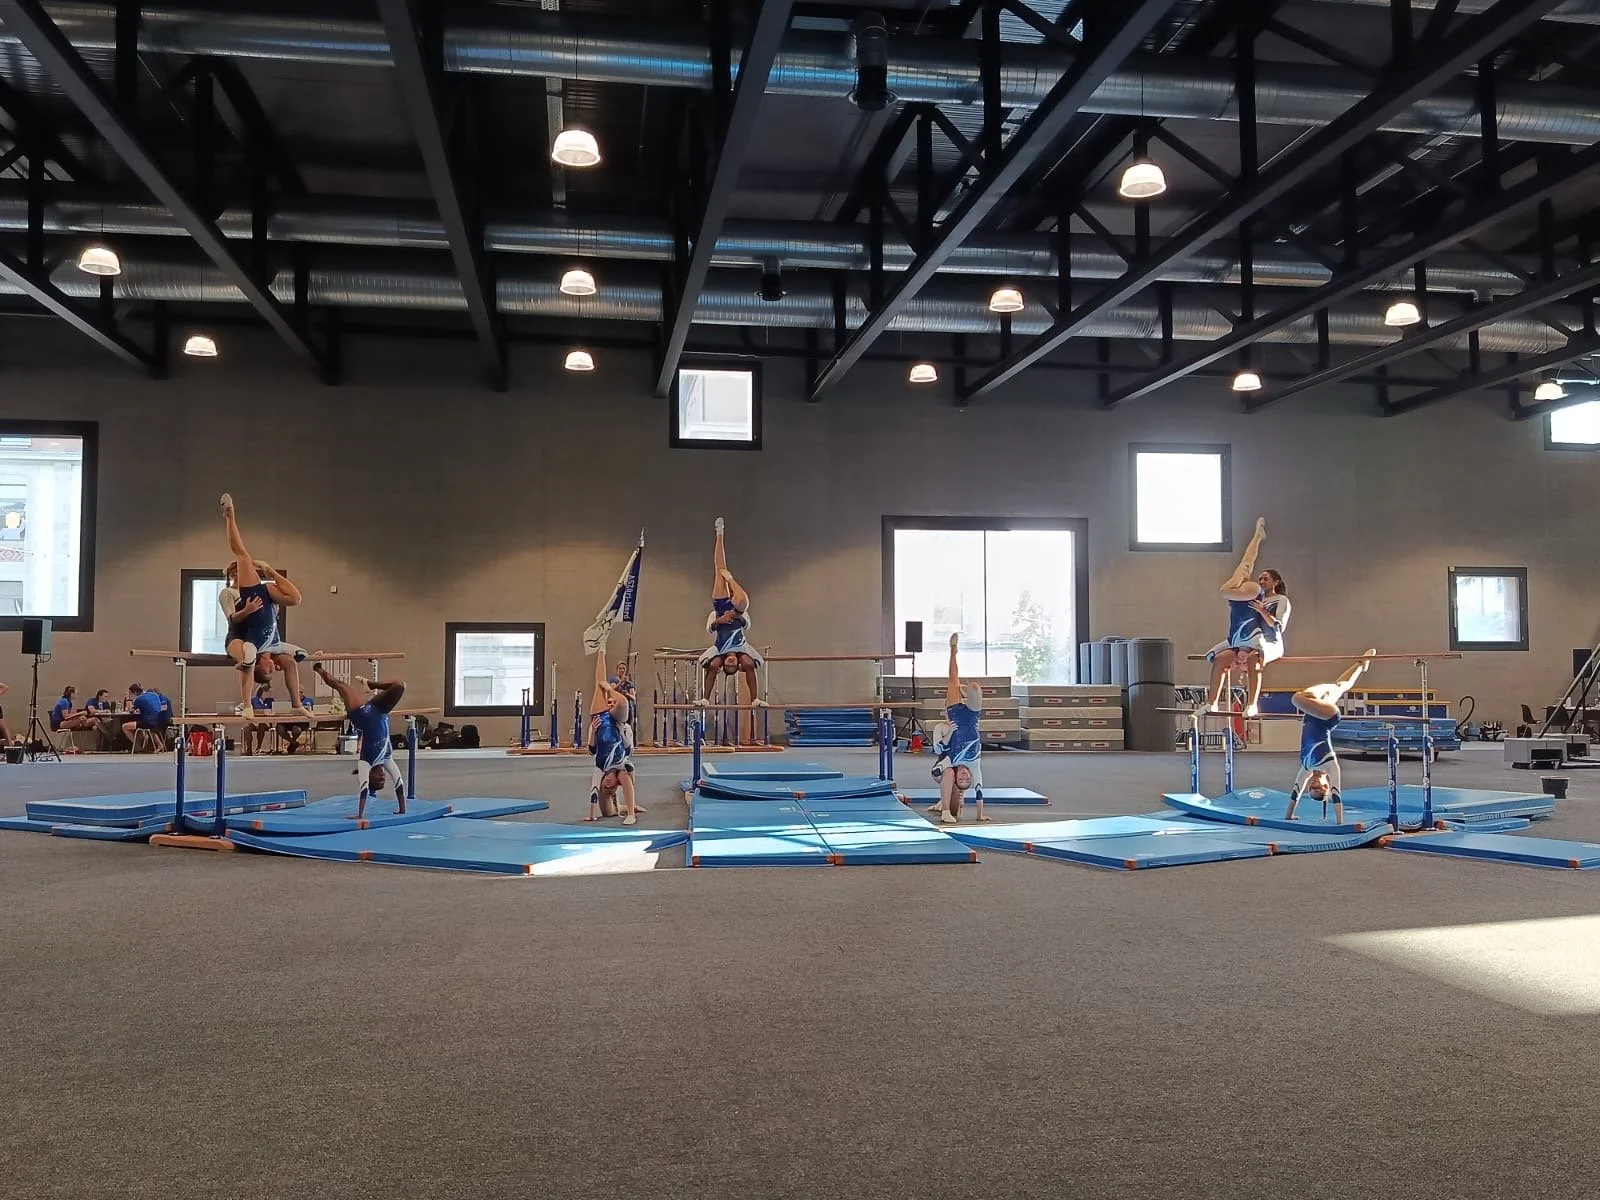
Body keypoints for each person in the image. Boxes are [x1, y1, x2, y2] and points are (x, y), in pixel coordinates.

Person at [218, 493, 310, 718]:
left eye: (270, 669)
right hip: (240, 634)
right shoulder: (227, 594)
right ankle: (247, 703)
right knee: (248, 659)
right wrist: (247, 610)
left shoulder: (253, 588)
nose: (275, 668)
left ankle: (296, 704)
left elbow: (296, 598)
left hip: (256, 635)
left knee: (295, 599)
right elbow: (232, 620)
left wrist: (269, 572)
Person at [1206, 517, 1291, 718]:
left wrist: (1263, 611)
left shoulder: (1281, 600)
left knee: (1253, 658)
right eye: (1260, 578)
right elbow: (1246, 565)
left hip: (1271, 642)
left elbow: (1278, 627)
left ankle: (1252, 704)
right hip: (1250, 640)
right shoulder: (1254, 596)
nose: (1261, 581)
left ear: (1275, 582)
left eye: (1265, 578)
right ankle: (1212, 702)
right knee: (1219, 658)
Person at [1283, 651, 1374, 824]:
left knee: (1340, 685)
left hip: (1313, 713)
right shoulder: (1331, 766)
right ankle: (1361, 664)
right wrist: (1340, 823)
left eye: (1311, 787)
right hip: (1327, 718)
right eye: (1318, 787)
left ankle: (1361, 663)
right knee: (1297, 698)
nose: (1314, 784)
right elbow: (1338, 797)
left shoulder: (1306, 768)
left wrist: (1289, 816)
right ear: (1327, 785)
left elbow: (1295, 794)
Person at [696, 517, 765, 744]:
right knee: (744, 602)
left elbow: (710, 628)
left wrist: (721, 619)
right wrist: (736, 616)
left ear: (726, 661)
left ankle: (719, 534)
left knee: (718, 568)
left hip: (719, 605)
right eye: (733, 665)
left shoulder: (718, 654)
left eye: (729, 664)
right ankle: (755, 699)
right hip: (737, 606)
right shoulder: (744, 654)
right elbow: (748, 623)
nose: (732, 663)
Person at [313, 663, 406, 820]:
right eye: (383, 780)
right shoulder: (387, 759)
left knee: (341, 685)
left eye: (378, 780)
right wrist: (402, 809)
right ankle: (371, 684)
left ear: (370, 777)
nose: (382, 777)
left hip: (361, 714)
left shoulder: (366, 763)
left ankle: (318, 669)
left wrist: (360, 814)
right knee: (399, 686)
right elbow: (399, 784)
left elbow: (363, 790)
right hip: (380, 711)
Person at [926, 633, 987, 825]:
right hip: (972, 717)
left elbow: (936, 771)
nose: (963, 776)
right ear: (969, 776)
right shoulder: (974, 766)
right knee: (975, 687)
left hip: (954, 715)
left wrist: (950, 731)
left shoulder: (952, 761)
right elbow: (978, 793)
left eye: (960, 779)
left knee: (953, 679)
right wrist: (979, 815)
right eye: (965, 778)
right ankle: (964, 689)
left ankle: (953, 651)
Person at [586, 641, 639, 825]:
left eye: (605, 786)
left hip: (599, 720)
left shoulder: (600, 767)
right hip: (617, 720)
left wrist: (593, 730)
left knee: (608, 813)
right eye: (611, 787)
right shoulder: (622, 766)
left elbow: (591, 750)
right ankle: (630, 809)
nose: (607, 784)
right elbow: (629, 749)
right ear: (617, 783)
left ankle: (601, 647)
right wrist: (631, 813)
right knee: (623, 703)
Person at [122, 683, 172, 750]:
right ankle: (159, 744)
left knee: (125, 726)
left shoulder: (139, 699)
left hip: (148, 722)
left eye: (131, 693)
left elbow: (130, 710)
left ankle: (138, 747)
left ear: (134, 693)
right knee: (143, 727)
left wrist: (128, 698)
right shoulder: (152, 694)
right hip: (159, 720)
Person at [244, 679, 275, 756]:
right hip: (255, 722)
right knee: (247, 729)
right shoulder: (254, 700)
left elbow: (273, 712)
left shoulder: (271, 700)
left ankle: (259, 747)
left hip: (266, 722)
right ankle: (249, 750)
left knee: (262, 725)